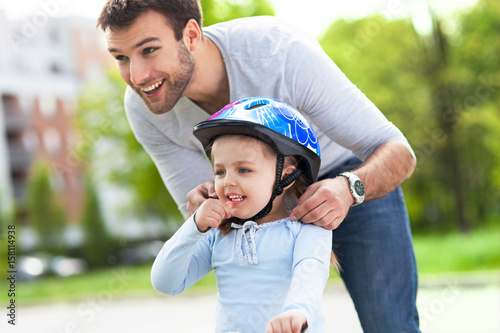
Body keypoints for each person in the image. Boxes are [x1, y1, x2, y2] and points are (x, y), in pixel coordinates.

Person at [98, 1, 420, 332]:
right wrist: (202, 211)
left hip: (349, 179)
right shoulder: (143, 107)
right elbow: (208, 221)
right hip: (257, 200)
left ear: (191, 34)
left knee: (390, 323)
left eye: (149, 50)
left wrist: (349, 188)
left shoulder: (278, 52)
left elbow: (398, 152)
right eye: (120, 57)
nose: (136, 77)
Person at [152, 97, 333, 333]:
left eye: (244, 169)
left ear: (285, 176)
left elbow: (309, 275)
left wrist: (297, 312)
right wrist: (194, 226)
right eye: (220, 171)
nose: (228, 181)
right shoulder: (219, 234)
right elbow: (165, 283)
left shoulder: (308, 228)